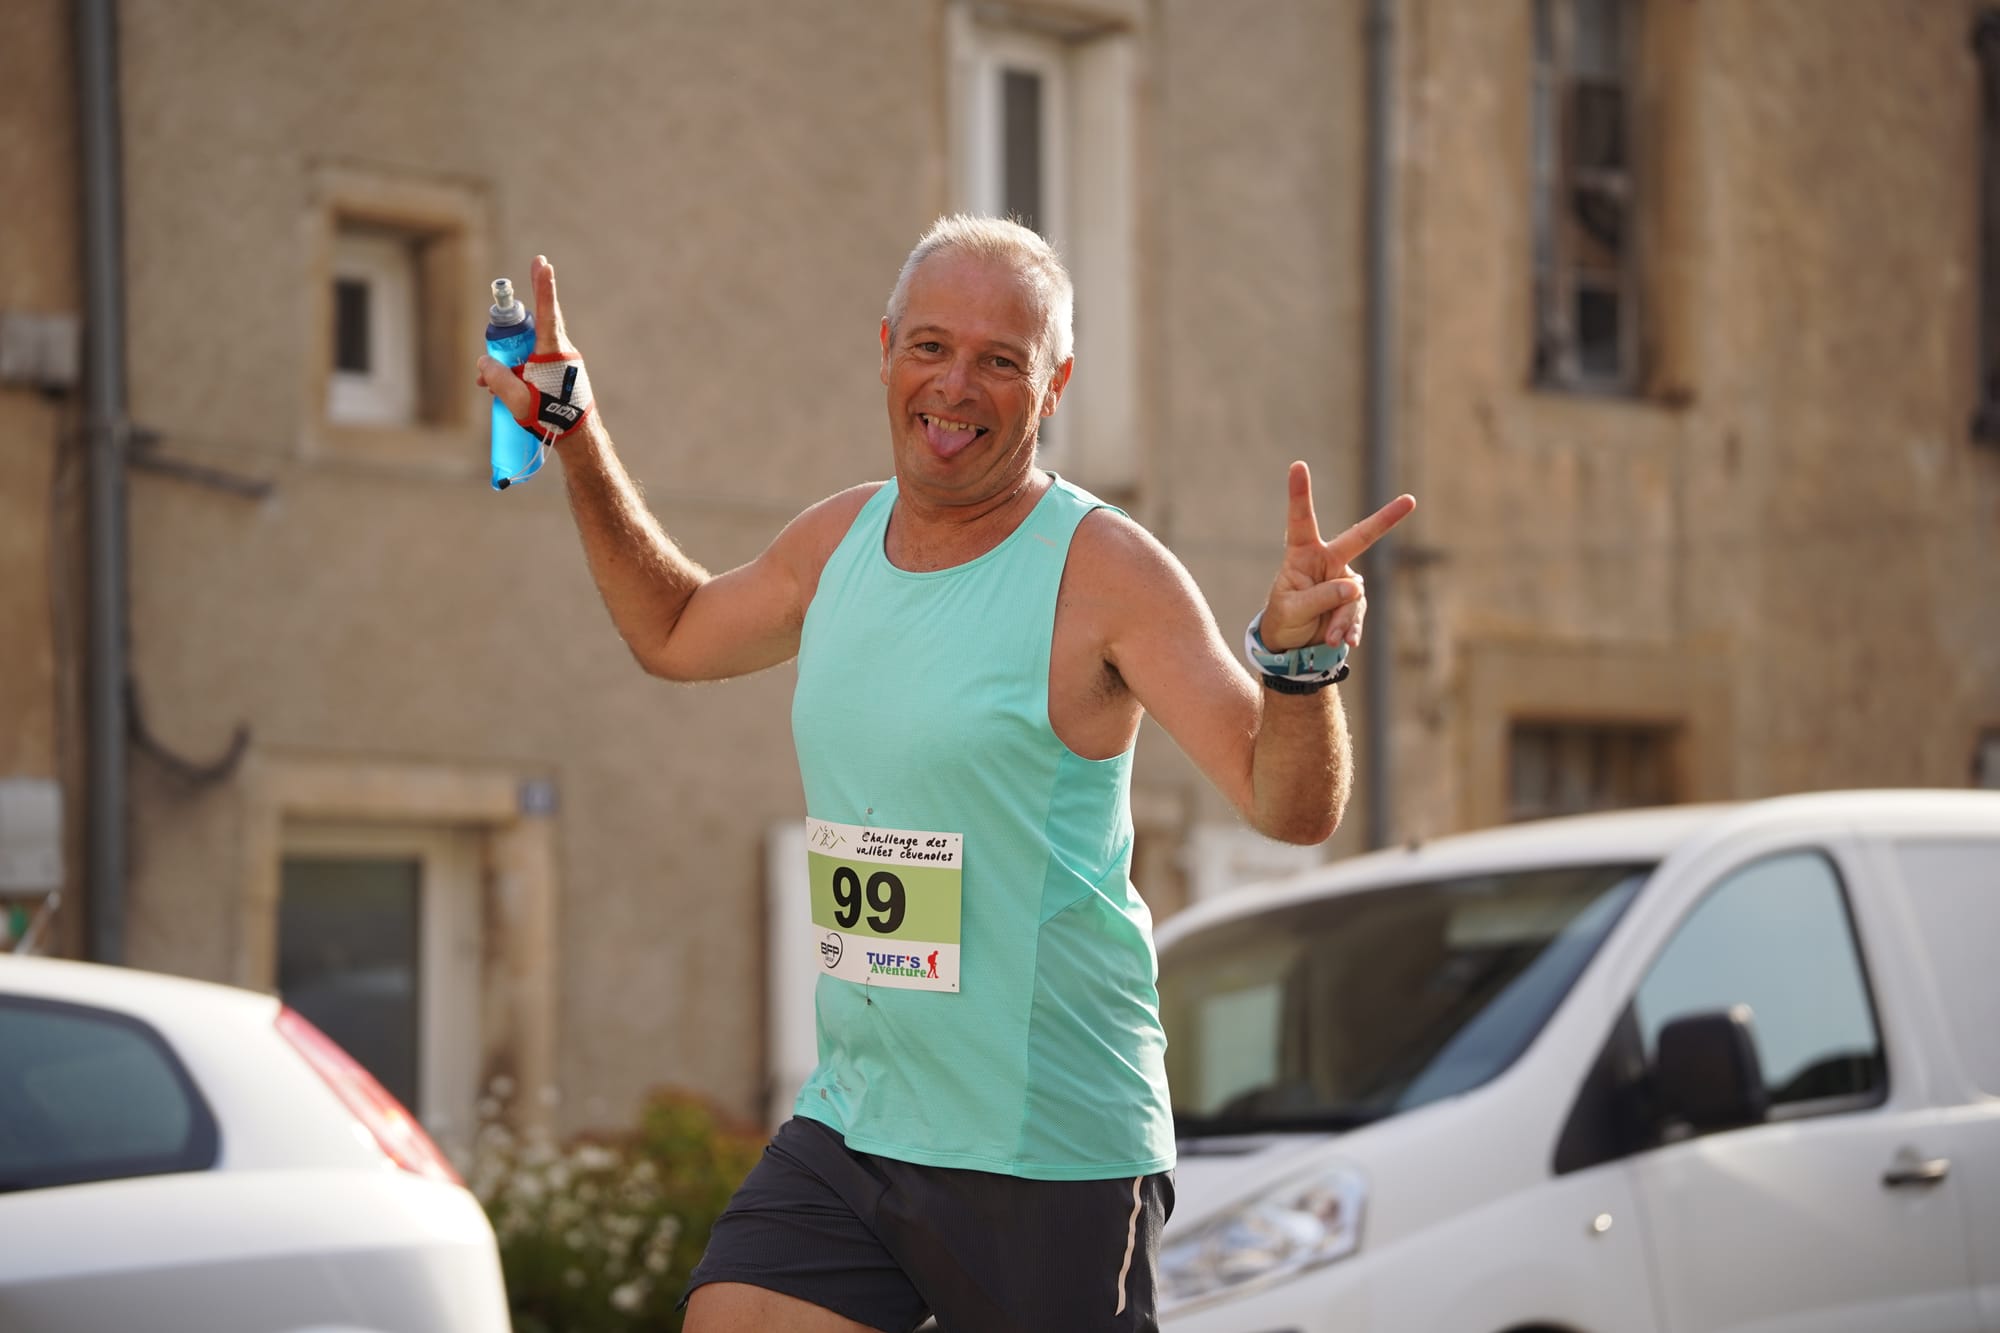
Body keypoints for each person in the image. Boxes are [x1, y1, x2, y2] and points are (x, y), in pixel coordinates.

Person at [476, 216, 1415, 1333]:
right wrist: (575, 437)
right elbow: (674, 629)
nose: (954, 386)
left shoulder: (1106, 570)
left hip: (1048, 1142)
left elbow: (1286, 804)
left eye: (1000, 360)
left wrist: (1300, 668)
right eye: (930, 346)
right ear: (884, 350)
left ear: (1052, 382)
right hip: (860, 1123)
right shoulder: (835, 543)